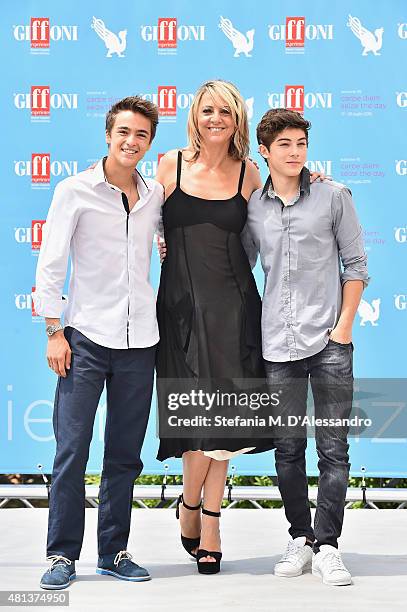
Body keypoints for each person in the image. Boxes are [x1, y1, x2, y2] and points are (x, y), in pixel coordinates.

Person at [33, 96, 163, 589]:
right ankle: (62, 555)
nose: (132, 142)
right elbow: (51, 261)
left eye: (142, 136)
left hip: (141, 343)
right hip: (84, 338)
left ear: (150, 143)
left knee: (125, 453)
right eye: (124, 133)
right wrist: (53, 329)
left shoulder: (155, 196)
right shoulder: (74, 190)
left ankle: (114, 550)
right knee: (72, 450)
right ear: (108, 135)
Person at [243, 108, 369, 586]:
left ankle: (329, 545)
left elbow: (355, 265)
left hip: (329, 341)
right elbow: (242, 265)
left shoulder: (334, 196)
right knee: (287, 450)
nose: (295, 152)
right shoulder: (254, 207)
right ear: (266, 152)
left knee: (333, 452)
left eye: (301, 143)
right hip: (277, 343)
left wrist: (343, 329)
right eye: (285, 145)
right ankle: (301, 538)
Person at [155, 80, 276, 575]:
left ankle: (209, 519)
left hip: (234, 303)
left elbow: (281, 211)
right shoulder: (169, 164)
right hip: (179, 305)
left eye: (225, 111)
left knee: (225, 416)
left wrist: (323, 182)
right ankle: (190, 502)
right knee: (193, 415)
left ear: (237, 119)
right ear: (195, 116)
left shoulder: (250, 173)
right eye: (208, 110)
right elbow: (141, 223)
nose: (216, 119)